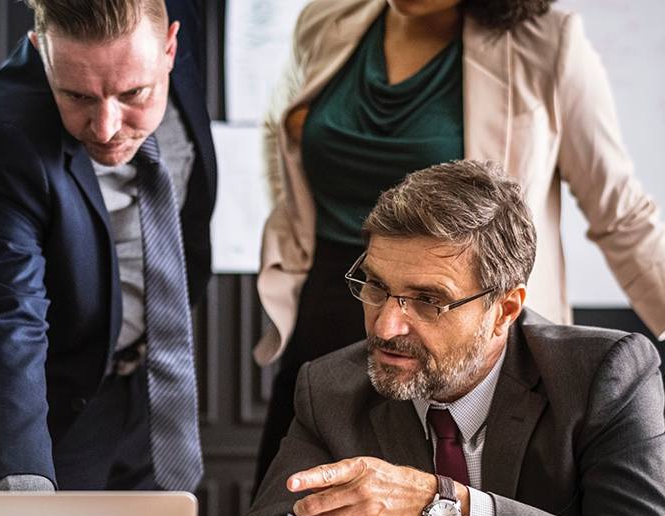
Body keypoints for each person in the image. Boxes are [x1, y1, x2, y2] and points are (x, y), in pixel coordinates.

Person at [217, 160, 665, 516]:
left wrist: (444, 509)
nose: (386, 327)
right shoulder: (331, 386)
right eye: (376, 287)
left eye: (429, 301)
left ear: (504, 310)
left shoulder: (601, 375)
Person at [253, 0, 665, 483]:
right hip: (334, 300)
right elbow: (279, 137)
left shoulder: (549, 43)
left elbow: (621, 214)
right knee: (295, 503)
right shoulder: (325, 19)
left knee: (460, 512)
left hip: (459, 319)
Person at [0, 0, 217, 492]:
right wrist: (21, 481)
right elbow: (5, 316)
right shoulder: (4, 142)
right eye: (77, 96)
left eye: (133, 93)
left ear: (170, 47)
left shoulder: (173, 16)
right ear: (42, 54)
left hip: (158, 382)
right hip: (54, 406)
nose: (107, 128)